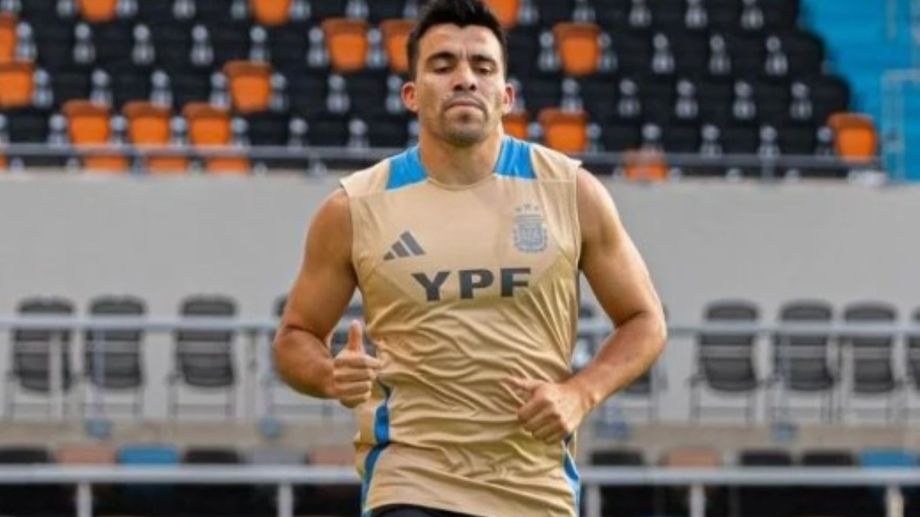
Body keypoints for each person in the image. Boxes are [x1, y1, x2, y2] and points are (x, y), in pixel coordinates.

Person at [273, 1, 667, 516]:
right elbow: (295, 336)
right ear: (411, 95)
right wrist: (329, 375)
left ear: (506, 95)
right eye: (443, 66)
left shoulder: (571, 191)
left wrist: (579, 394)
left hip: (534, 489)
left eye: (482, 67)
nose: (464, 79)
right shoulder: (354, 207)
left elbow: (645, 321)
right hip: (410, 482)